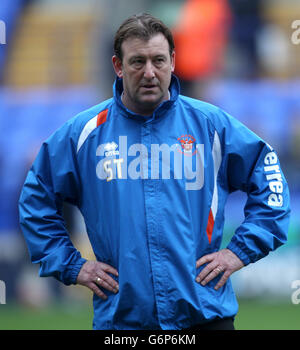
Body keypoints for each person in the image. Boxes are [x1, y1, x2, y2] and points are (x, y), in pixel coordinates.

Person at [18, 13, 290, 330]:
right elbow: (36, 198)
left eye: (158, 60)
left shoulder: (210, 125)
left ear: (173, 62)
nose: (149, 72)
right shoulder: (84, 134)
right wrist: (71, 265)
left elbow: (269, 177)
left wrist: (238, 251)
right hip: (123, 321)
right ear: (118, 66)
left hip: (205, 315)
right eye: (137, 62)